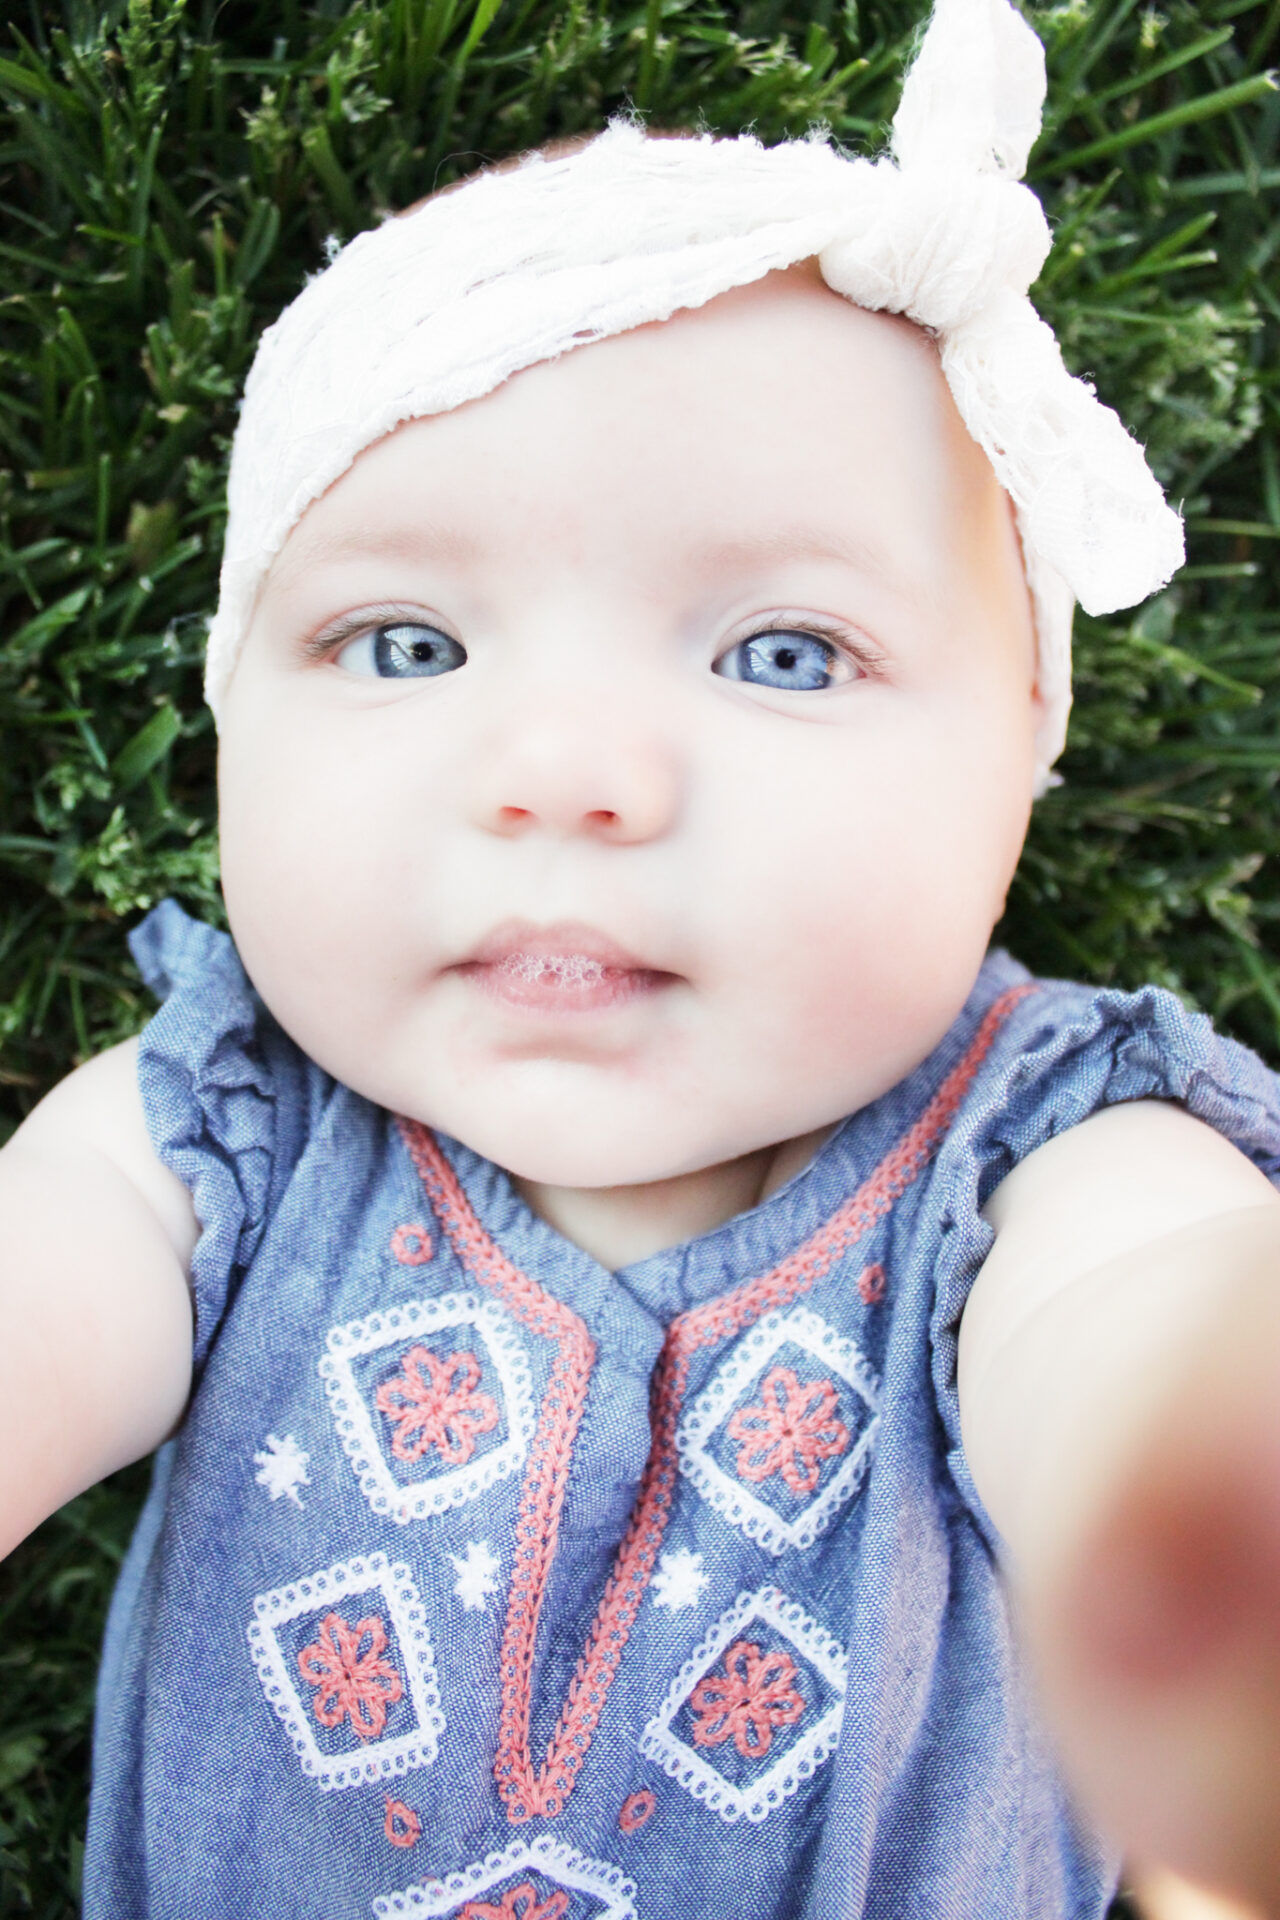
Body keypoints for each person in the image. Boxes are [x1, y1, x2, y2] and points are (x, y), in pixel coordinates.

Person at [2, 1, 1278, 1915]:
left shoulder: (1044, 1167)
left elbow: (1141, 1341)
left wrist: (1191, 1500)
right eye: (407, 645)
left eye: (782, 655)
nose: (567, 779)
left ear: (1020, 748)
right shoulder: (221, 1135)